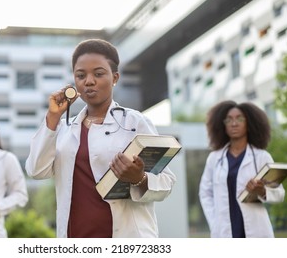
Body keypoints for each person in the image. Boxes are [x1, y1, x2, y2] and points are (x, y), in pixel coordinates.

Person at [25, 39, 176, 238]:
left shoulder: (135, 122)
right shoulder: (63, 129)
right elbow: (36, 170)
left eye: (98, 74)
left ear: (115, 78)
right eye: (81, 75)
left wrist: (139, 178)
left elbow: (166, 182)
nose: (88, 81)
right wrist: (53, 117)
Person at [199, 100, 285, 238]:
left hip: (256, 231)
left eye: (240, 119)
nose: (234, 123)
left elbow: (279, 194)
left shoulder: (262, 157)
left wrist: (262, 191)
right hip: (224, 231)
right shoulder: (214, 159)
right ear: (223, 125)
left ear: (249, 123)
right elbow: (205, 194)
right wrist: (214, 222)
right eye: (229, 120)